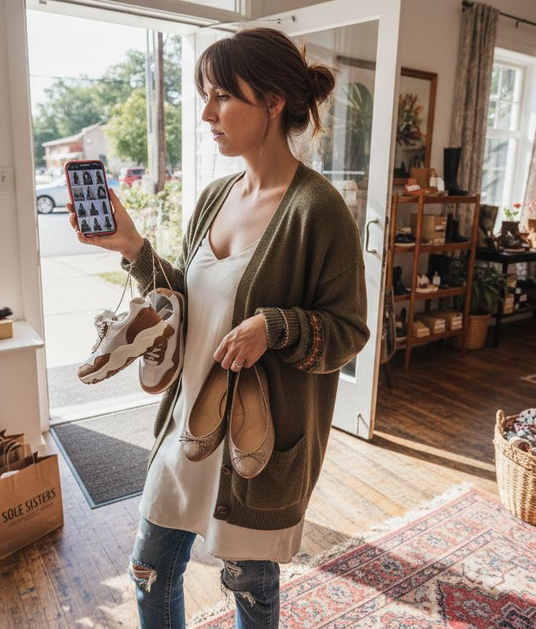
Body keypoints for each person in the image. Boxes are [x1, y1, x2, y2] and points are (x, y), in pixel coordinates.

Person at [68, 27, 368, 628]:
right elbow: (187, 302)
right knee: (150, 571)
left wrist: (274, 327)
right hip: (187, 426)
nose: (206, 113)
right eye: (204, 95)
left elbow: (348, 331)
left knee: (249, 590)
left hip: (252, 445)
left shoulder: (318, 210)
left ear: (273, 101)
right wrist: (132, 247)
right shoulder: (213, 196)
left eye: (222, 96)